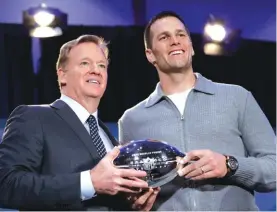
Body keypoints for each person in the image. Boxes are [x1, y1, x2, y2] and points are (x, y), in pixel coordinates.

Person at [118, 11, 276, 211]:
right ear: (150, 54)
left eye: (181, 34)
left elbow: (274, 170)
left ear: (191, 47)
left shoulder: (237, 98)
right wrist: (133, 204)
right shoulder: (132, 120)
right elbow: (128, 190)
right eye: (164, 37)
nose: (175, 41)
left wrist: (229, 165)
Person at [0, 34, 160, 211]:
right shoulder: (33, 118)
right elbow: (7, 185)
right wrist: (89, 182)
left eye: (101, 65)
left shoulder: (107, 135)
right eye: (85, 63)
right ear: (62, 75)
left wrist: (133, 204)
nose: (96, 70)